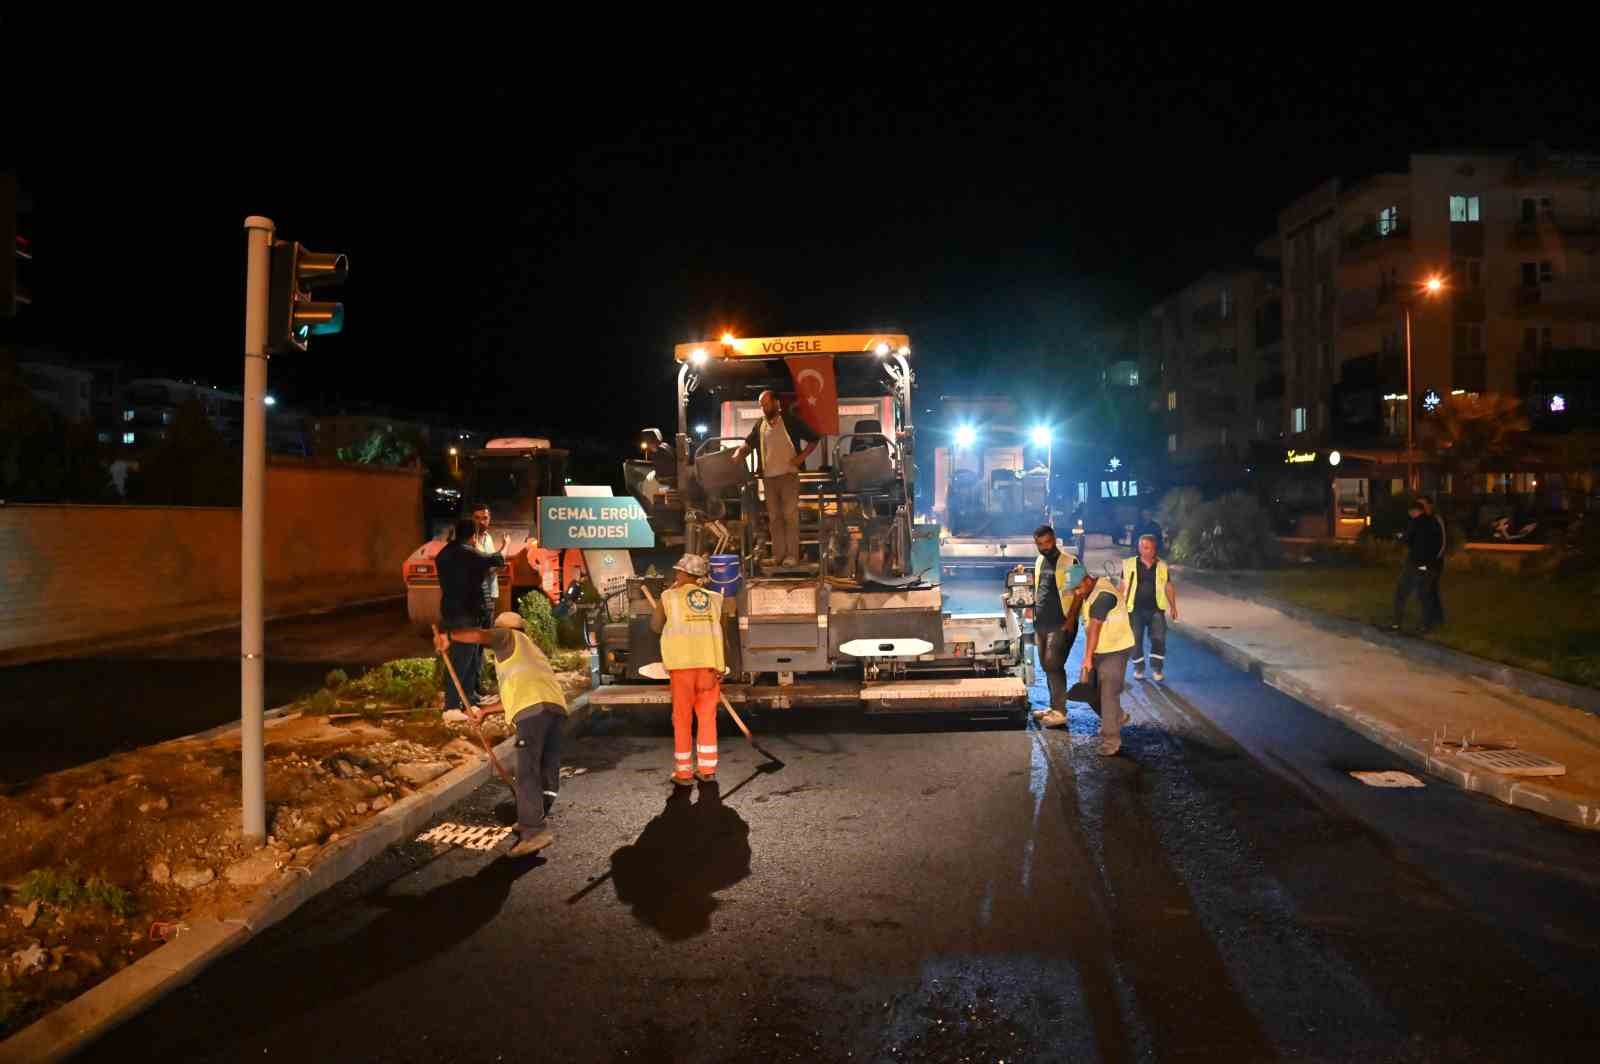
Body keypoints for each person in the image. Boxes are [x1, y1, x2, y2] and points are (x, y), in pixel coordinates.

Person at [435, 612, 568, 858]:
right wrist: (485, 711)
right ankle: (535, 814)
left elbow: (478, 635)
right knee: (547, 765)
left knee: (526, 770)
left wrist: (448, 636)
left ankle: (534, 830)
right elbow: (518, 694)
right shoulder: (531, 651)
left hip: (533, 714)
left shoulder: (508, 636)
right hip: (555, 710)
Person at [650, 554, 729, 785]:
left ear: (685, 575)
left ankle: (684, 773)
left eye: (679, 572)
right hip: (709, 666)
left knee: (682, 719)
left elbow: (655, 627)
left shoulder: (669, 597)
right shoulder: (715, 599)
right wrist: (721, 666)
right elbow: (720, 633)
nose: (676, 575)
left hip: (682, 666)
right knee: (707, 718)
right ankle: (707, 770)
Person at [436, 517, 519, 711]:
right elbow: (498, 560)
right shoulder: (469, 553)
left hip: (451, 610)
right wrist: (506, 545)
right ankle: (452, 707)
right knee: (463, 660)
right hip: (468, 612)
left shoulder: (443, 554)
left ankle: (469, 701)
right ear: (473, 536)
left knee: (470, 658)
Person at [732, 390, 821, 567]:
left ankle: (792, 556)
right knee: (774, 518)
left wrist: (801, 458)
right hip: (769, 479)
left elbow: (814, 438)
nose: (764, 408)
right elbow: (748, 444)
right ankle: (779, 556)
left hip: (788, 476)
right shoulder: (760, 425)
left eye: (766, 404)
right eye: (762, 405)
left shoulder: (790, 421)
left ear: (776, 403)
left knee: (790, 516)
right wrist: (738, 453)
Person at [1029, 524, 1088, 729]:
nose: (1044, 547)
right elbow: (1040, 589)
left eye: (1047, 542)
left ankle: (1060, 711)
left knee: (1053, 664)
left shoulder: (1070, 561)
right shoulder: (1039, 561)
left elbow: (1080, 593)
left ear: (1054, 539)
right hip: (1041, 622)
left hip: (1061, 623)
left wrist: (1071, 620)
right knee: (1046, 665)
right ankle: (1054, 706)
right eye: (1040, 544)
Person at [1075, 570, 1137, 756]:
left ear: (1087, 580)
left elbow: (1094, 629)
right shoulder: (1089, 591)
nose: (1076, 593)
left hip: (1116, 650)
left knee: (1108, 693)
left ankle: (1111, 740)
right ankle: (1117, 716)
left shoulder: (1103, 596)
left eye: (1078, 588)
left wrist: (1086, 659)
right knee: (1091, 692)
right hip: (1100, 649)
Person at [1123, 533, 1178, 682]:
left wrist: (1173, 607)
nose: (1143, 550)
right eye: (1141, 546)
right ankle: (1139, 667)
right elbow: (1123, 586)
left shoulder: (1162, 566)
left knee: (1159, 638)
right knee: (1135, 639)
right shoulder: (1129, 564)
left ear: (1154, 549)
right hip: (1135, 609)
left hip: (1156, 609)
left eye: (1147, 547)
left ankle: (1157, 668)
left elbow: (1168, 586)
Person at [1393, 496, 1444, 633]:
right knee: (1424, 594)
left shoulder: (1425, 522)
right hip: (1424, 564)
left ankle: (1399, 622)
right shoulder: (1429, 522)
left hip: (1421, 563)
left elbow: (1438, 544)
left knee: (1408, 592)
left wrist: (1401, 537)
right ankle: (1426, 624)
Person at [1421, 495, 1446, 627]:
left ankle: (1430, 621)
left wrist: (1435, 558)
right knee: (1431, 590)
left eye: (1423, 504)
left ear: (1430, 505)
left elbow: (1442, 541)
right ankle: (1438, 618)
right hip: (1424, 561)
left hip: (1435, 562)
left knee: (1428, 590)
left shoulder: (1436, 519)